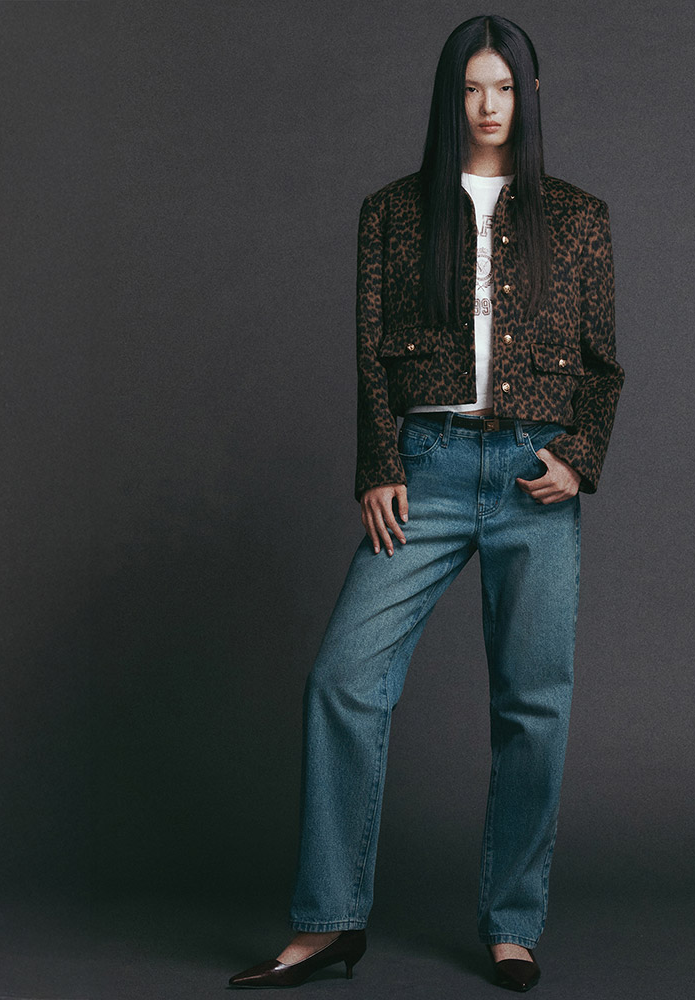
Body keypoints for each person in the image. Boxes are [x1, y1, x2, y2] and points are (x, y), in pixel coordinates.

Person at [228, 13, 623, 993]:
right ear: (450, 97)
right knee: (344, 677)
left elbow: (603, 366)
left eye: (504, 88)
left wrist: (579, 458)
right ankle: (329, 920)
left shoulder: (578, 218)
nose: (488, 107)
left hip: (533, 474)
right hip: (429, 468)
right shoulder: (394, 214)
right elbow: (371, 355)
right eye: (471, 88)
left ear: (530, 96)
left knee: (533, 703)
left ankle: (512, 924)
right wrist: (379, 464)